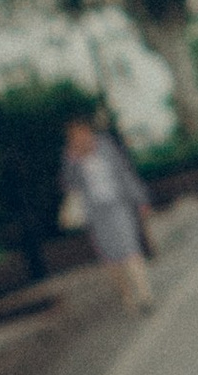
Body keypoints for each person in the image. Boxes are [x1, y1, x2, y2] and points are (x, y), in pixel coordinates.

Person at [61, 115, 154, 315]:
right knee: (112, 258)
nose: (80, 138)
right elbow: (69, 186)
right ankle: (127, 294)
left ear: (88, 131)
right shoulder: (71, 158)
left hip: (118, 205)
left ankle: (145, 294)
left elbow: (124, 172)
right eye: (74, 136)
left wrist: (140, 199)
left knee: (130, 247)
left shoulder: (106, 146)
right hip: (95, 215)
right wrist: (73, 161)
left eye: (82, 132)